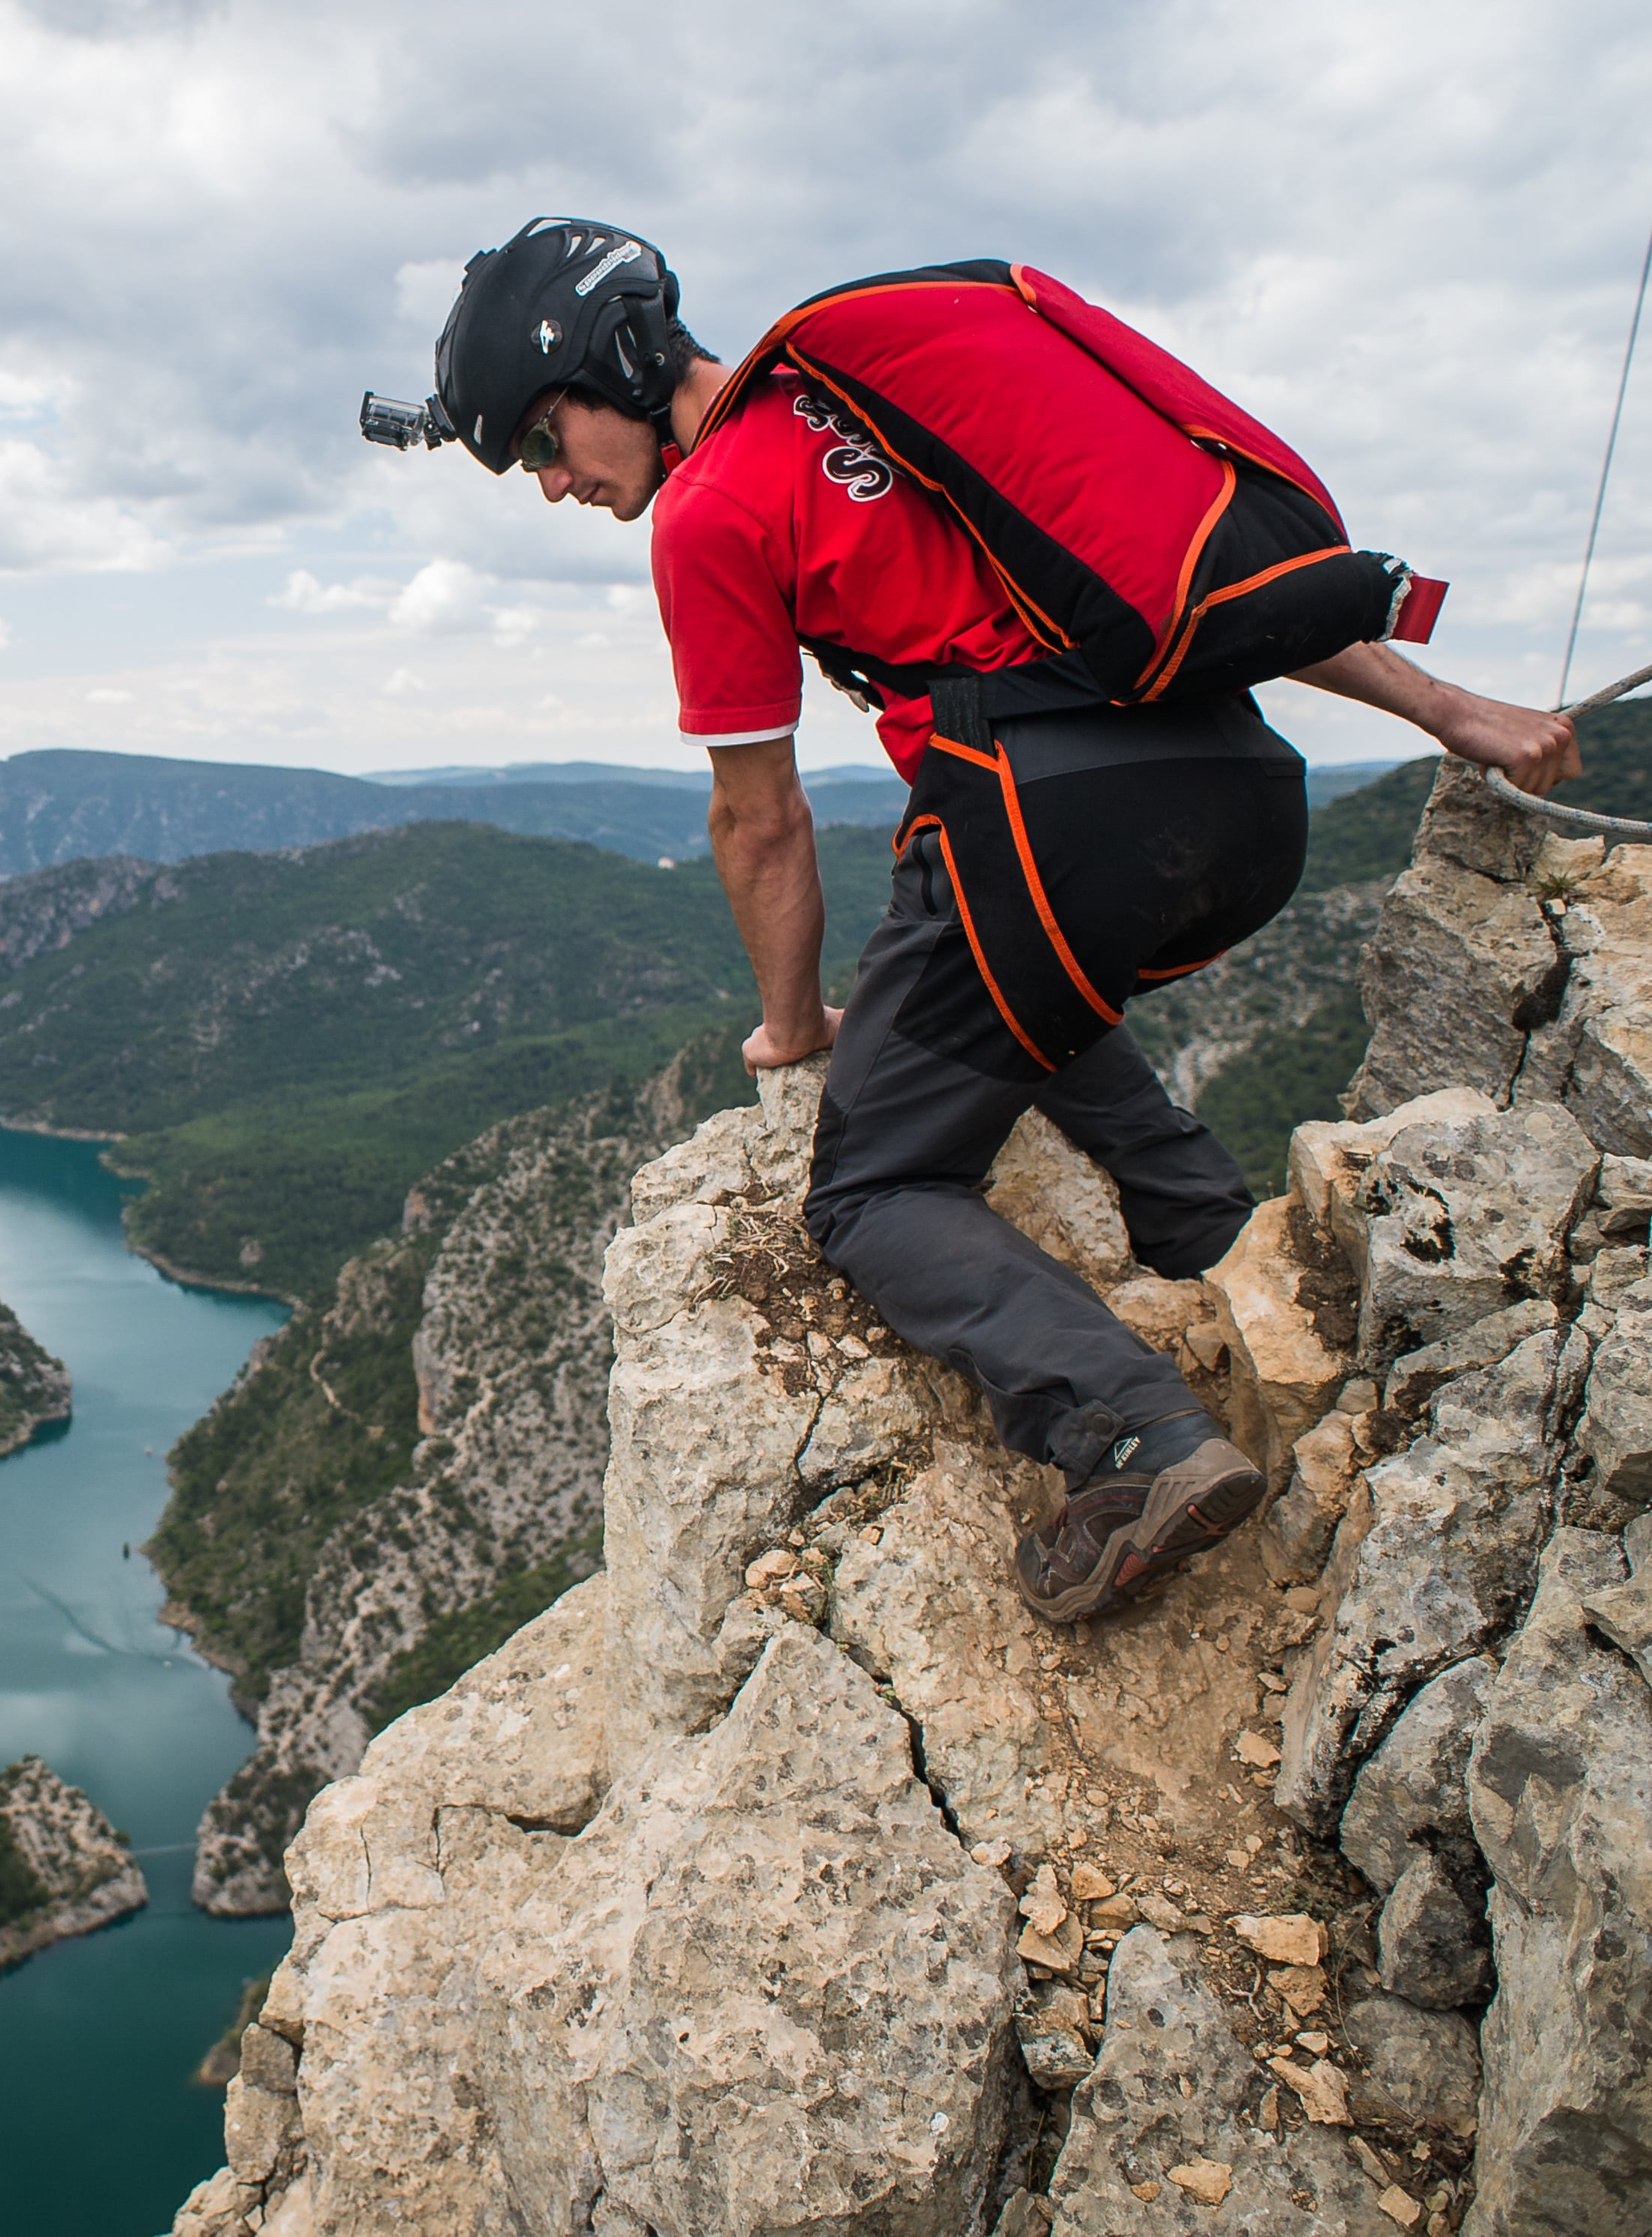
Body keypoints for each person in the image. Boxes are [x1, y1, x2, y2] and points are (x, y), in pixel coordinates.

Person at [384, 219, 1581, 1623]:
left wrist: (793, 1026)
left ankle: (1134, 1436)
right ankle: (1220, 1254)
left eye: (538, 444)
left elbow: (755, 818)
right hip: (1242, 803)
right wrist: (1449, 709)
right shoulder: (886, 407)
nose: (548, 488)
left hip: (1045, 827)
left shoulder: (714, 508)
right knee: (1009, 1013)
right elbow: (1179, 586)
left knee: (873, 1187)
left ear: (608, 368)